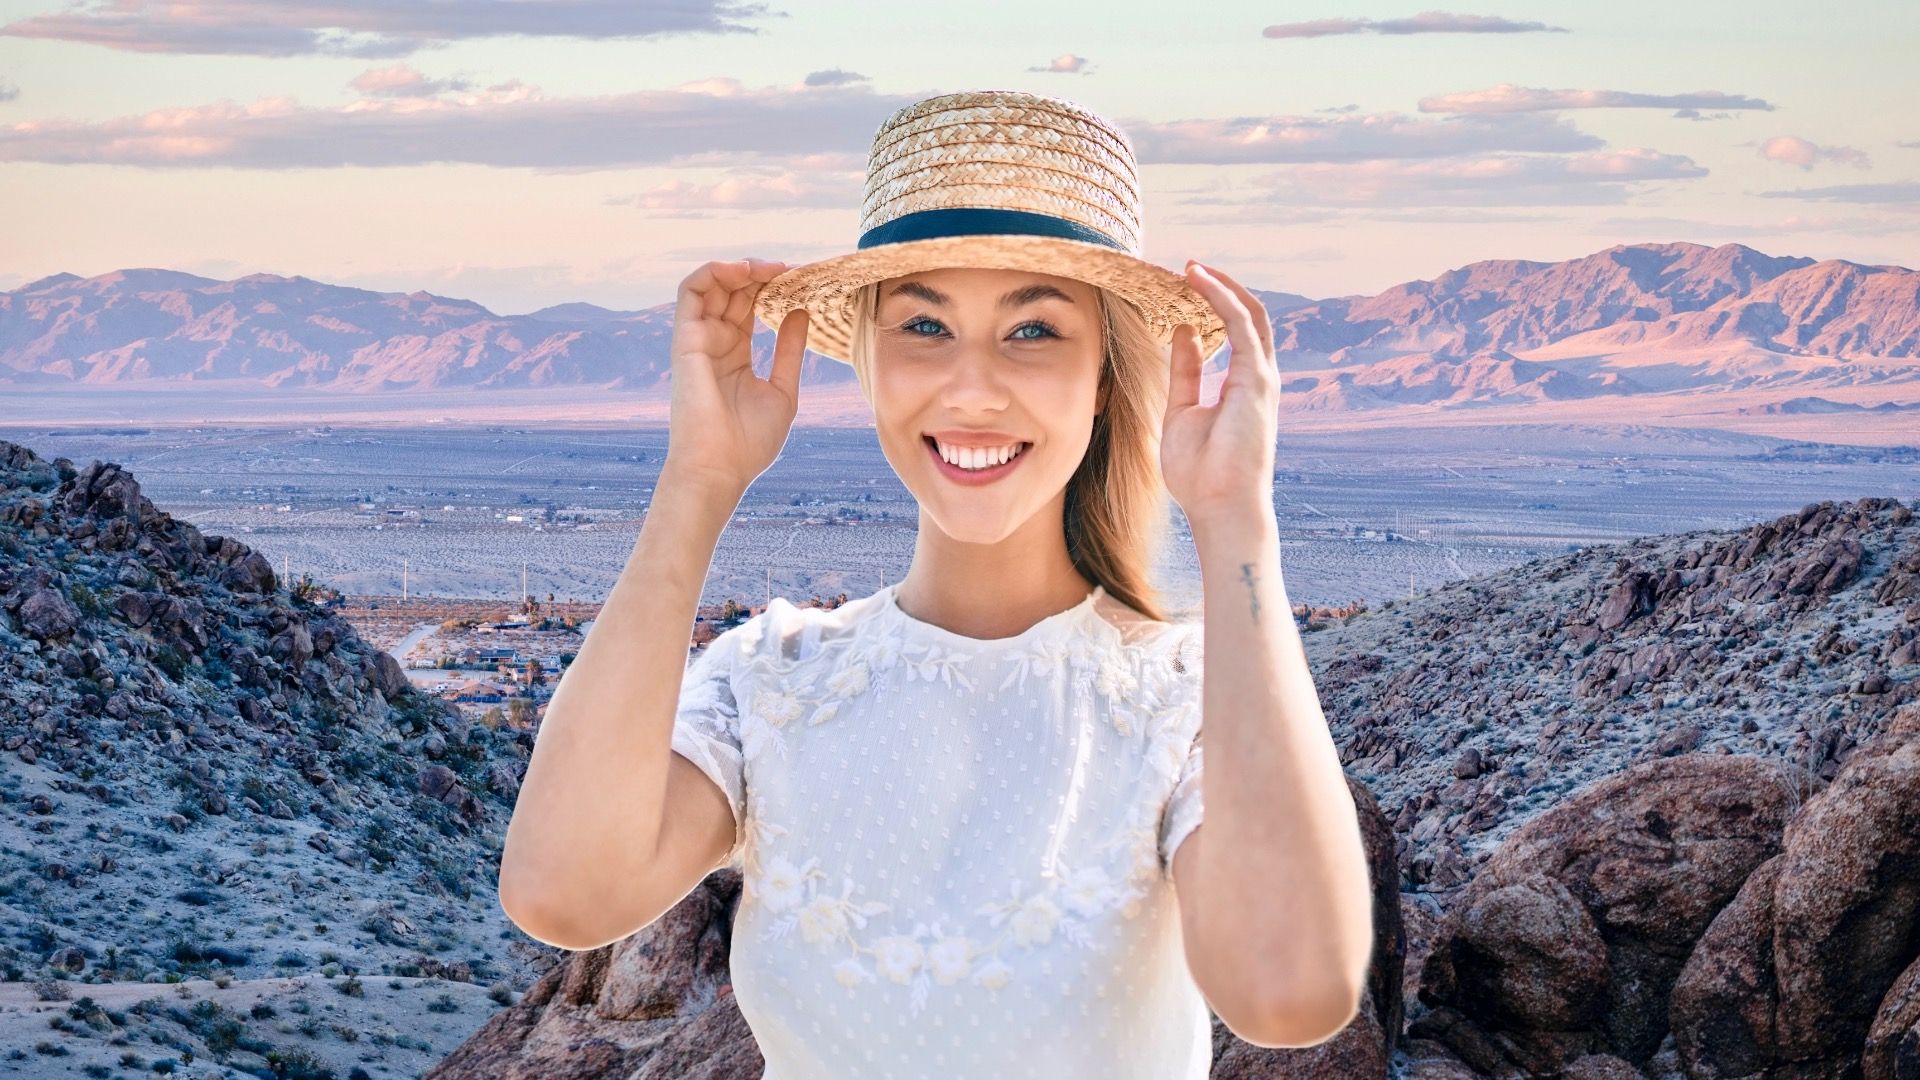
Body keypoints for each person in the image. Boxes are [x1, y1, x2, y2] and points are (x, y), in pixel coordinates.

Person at [500, 89, 1374, 1078]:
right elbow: (562, 892)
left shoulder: (1185, 697)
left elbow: (1292, 990)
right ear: (870, 361)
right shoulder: (773, 680)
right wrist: (698, 481)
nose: (970, 386)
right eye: (924, 326)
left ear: (1105, 375)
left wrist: (1234, 523)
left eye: (1034, 330)